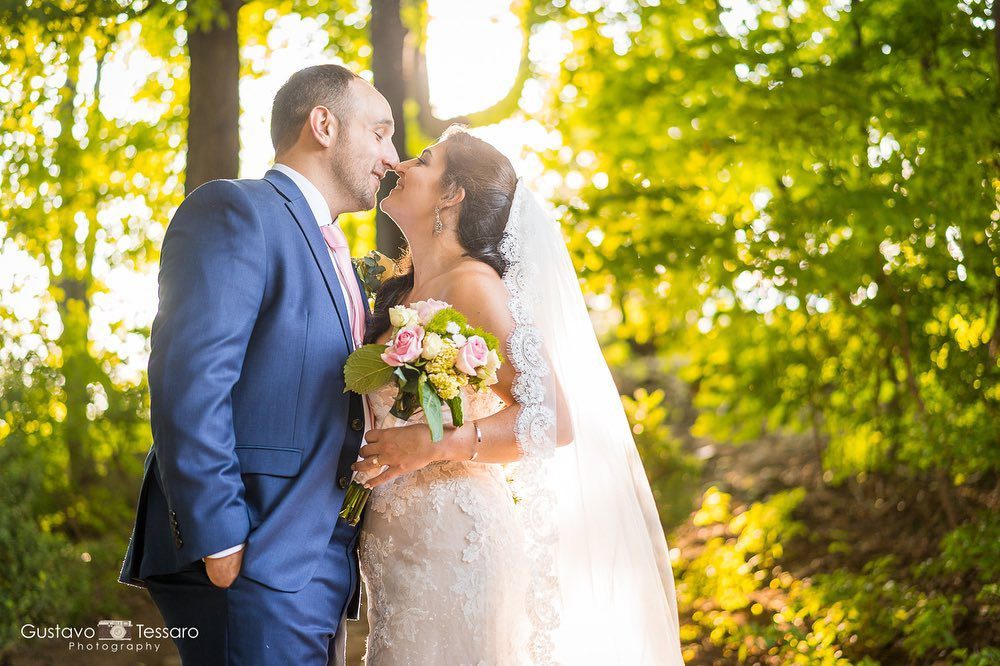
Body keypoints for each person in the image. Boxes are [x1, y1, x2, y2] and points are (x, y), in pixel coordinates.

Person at [354, 126, 685, 665]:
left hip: (455, 542)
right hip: (396, 542)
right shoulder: (405, 291)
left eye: (425, 160)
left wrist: (434, 443)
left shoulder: (473, 284)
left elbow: (553, 419)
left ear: (452, 193)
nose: (402, 165)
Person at [118, 64, 398, 665]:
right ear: (323, 124)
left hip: (315, 557)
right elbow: (190, 381)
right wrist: (219, 538)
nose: (392, 156)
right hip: (251, 551)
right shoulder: (236, 210)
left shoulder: (340, 255)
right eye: (379, 132)